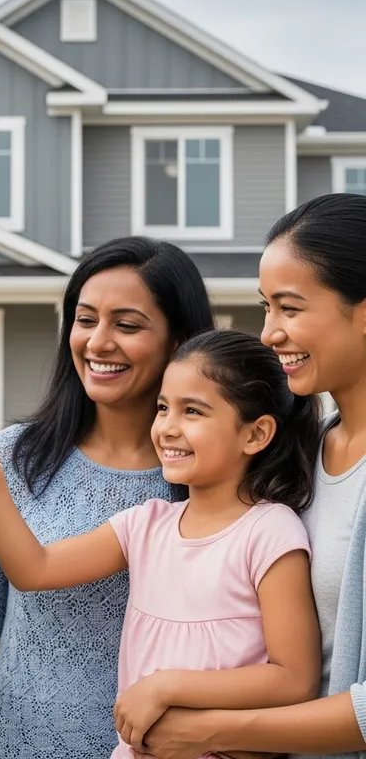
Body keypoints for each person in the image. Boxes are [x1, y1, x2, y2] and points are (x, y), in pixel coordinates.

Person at [0, 328, 322, 758]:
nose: (168, 427)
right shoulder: (147, 525)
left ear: (255, 434)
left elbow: (295, 678)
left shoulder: (270, 533)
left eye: (192, 411)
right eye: (163, 408)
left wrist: (166, 685)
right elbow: (34, 569)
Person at [0, 237, 216, 758]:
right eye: (85, 320)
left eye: (127, 326)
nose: (98, 342)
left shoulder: (213, 477)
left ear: (179, 342)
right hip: (11, 746)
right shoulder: (14, 457)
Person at [140, 193, 366, 759]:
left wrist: (206, 729)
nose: (268, 333)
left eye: (289, 308)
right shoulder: (305, 453)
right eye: (266, 308)